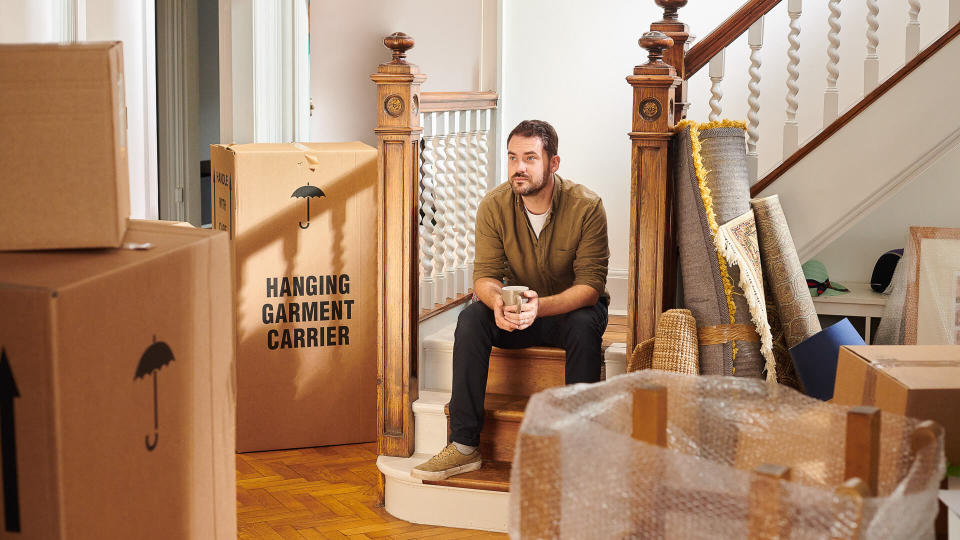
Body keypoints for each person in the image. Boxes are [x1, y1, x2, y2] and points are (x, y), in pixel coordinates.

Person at [411, 119, 610, 480]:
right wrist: (496, 304)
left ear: (553, 163)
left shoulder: (587, 206)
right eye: (513, 157)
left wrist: (542, 308)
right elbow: (484, 275)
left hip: (568, 311)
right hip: (516, 314)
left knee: (585, 325)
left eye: (530, 158)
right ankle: (463, 446)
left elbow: (591, 286)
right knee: (471, 319)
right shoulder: (494, 205)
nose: (519, 167)